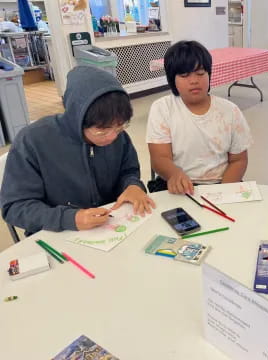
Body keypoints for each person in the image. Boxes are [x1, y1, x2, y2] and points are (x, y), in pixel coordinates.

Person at [0, 66, 155, 235]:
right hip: (56, 234)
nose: (112, 137)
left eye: (119, 127)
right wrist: (69, 218)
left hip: (110, 228)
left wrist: (132, 185)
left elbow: (128, 171)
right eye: (102, 130)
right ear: (77, 119)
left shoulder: (119, 137)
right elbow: (15, 207)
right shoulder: (32, 141)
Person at [146, 40, 253, 194]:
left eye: (200, 73)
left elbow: (238, 160)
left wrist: (222, 192)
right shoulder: (162, 109)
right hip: (177, 183)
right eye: (184, 75)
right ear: (172, 79)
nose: (194, 80)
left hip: (221, 183)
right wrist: (174, 174)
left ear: (209, 74)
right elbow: (160, 158)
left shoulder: (230, 111)